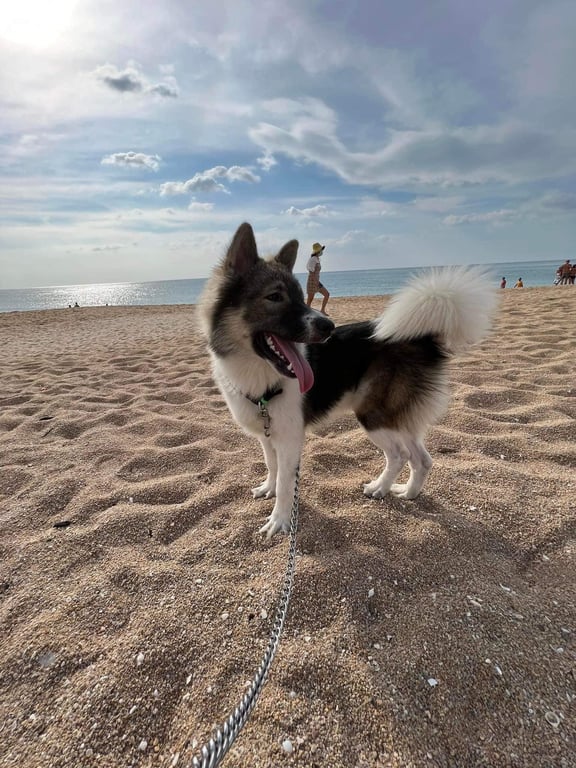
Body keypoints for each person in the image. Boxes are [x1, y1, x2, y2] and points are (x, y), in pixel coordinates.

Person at [306, 242, 330, 314]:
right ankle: (306, 314)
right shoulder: (313, 259)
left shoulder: (317, 259)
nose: (322, 251)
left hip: (316, 281)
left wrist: (317, 281)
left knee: (327, 294)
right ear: (318, 251)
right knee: (309, 301)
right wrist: (315, 281)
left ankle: (322, 310)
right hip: (312, 281)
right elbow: (310, 269)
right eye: (321, 250)